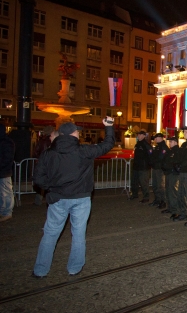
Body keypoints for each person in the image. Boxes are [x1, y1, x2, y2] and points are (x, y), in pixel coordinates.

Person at [32, 118, 115, 277]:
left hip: (57, 198)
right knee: (78, 234)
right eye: (77, 131)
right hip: (81, 198)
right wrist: (109, 127)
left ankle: (40, 270)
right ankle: (74, 268)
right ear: (72, 134)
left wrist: (51, 187)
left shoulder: (49, 154)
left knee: (50, 234)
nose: (79, 133)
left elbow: (38, 178)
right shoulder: (83, 151)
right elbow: (107, 145)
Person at [32, 126, 55, 206]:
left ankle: (38, 200)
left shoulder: (41, 142)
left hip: (43, 164)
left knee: (43, 181)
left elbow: (35, 152)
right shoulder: (54, 142)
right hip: (52, 164)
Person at [162, 136, 183, 218]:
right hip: (168, 173)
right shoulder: (170, 151)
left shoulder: (178, 151)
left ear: (175, 142)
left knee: (173, 191)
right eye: (169, 142)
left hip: (173, 173)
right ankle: (170, 207)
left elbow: (175, 162)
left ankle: (175, 210)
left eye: (171, 142)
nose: (169, 143)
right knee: (168, 190)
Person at [130, 130, 151, 203]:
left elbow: (150, 155)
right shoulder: (137, 144)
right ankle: (134, 194)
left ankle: (146, 197)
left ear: (144, 136)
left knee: (143, 183)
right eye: (138, 134)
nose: (138, 136)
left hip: (143, 167)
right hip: (136, 166)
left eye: (140, 135)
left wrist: (148, 164)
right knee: (134, 182)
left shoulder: (146, 145)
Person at [149, 133, 167, 209]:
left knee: (160, 186)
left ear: (160, 138)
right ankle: (157, 199)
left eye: (156, 138)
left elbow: (160, 158)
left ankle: (163, 201)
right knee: (155, 185)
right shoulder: (157, 147)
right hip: (155, 168)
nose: (155, 139)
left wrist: (153, 161)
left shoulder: (163, 147)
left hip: (160, 168)